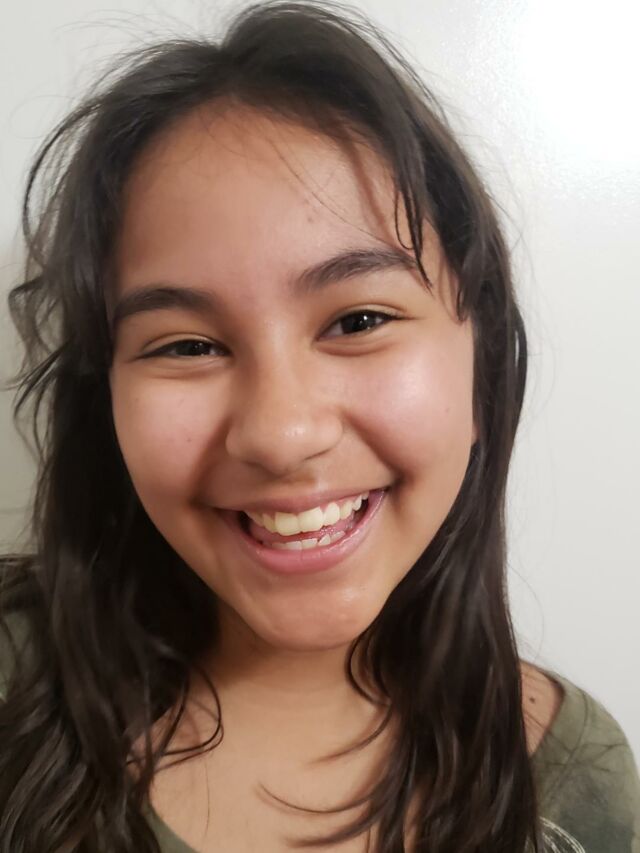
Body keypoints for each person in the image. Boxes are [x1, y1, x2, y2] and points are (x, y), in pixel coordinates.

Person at [0, 2, 638, 851]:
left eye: (359, 320)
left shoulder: (573, 786)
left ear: (481, 369)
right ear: (105, 398)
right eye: (187, 344)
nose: (281, 433)